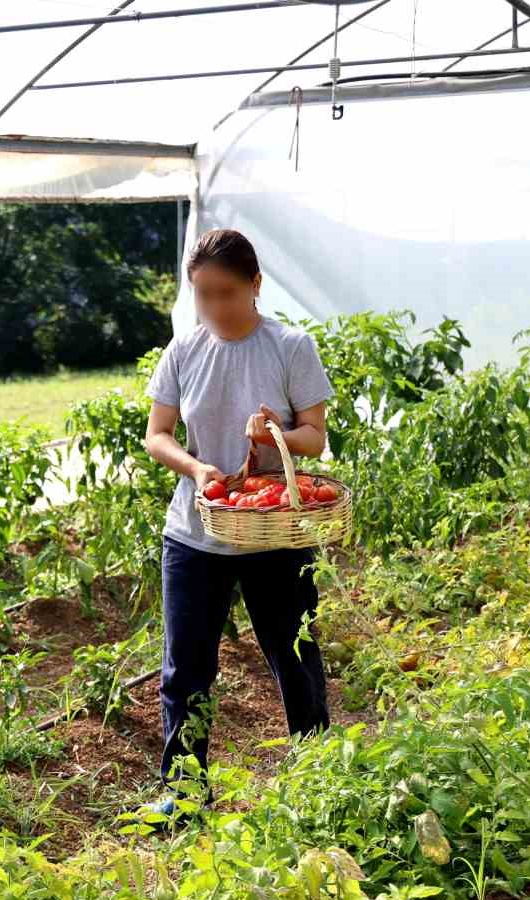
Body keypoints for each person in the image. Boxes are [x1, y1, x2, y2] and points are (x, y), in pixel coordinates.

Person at [139, 227, 334, 826]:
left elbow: (315, 439)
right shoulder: (185, 351)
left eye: (227, 292)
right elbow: (157, 435)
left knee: (293, 655)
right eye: (203, 295)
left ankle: (321, 778)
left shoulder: (290, 346)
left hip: (272, 528)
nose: (216, 307)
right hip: (196, 532)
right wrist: (198, 468)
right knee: (185, 668)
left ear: (255, 285)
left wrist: (275, 433)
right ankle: (184, 796)